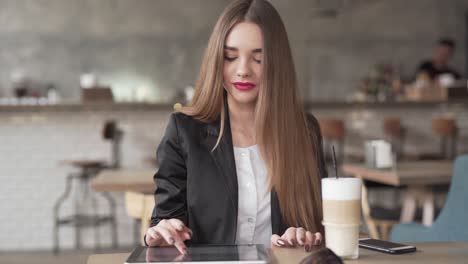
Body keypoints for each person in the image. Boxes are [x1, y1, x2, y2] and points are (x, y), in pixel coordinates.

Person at [144, 0, 328, 255]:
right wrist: (163, 231)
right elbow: (166, 220)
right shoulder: (183, 131)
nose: (242, 70)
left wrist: (305, 235)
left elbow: (322, 228)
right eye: (230, 57)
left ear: (278, 65)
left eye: (259, 59)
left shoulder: (304, 132)